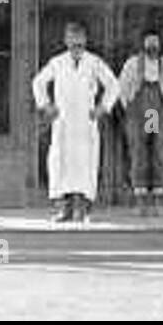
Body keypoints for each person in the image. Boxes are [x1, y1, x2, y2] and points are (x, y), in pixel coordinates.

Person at [32, 20, 121, 224]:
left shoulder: (94, 62)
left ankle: (82, 209)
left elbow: (113, 85)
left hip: (85, 121)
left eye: (80, 40)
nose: (76, 45)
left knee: (85, 164)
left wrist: (102, 107)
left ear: (85, 40)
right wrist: (46, 105)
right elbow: (38, 82)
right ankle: (64, 210)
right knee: (60, 163)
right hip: (63, 121)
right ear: (66, 41)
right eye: (72, 40)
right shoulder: (57, 62)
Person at [118, 29, 163, 215]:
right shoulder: (132, 64)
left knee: (160, 154)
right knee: (138, 154)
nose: (152, 46)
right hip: (138, 112)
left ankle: (159, 199)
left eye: (155, 43)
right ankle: (140, 200)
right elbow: (123, 87)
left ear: (159, 45)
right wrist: (129, 107)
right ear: (143, 44)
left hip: (158, 112)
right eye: (149, 42)